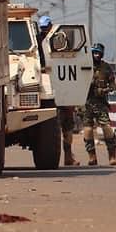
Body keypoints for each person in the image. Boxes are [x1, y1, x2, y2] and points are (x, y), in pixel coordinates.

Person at [37, 15, 79, 165]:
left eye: (46, 28)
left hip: (61, 84)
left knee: (67, 123)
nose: (44, 31)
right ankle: (67, 155)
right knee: (52, 125)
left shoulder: (59, 39)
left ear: (50, 26)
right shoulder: (36, 40)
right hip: (45, 86)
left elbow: (69, 61)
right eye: (42, 28)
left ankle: (68, 156)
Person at [83, 43, 116, 166]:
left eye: (98, 53)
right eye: (93, 53)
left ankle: (112, 156)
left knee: (107, 127)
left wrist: (104, 90)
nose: (95, 55)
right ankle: (92, 157)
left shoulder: (106, 67)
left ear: (101, 54)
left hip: (101, 102)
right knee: (87, 129)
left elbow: (114, 85)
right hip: (86, 102)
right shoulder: (84, 66)